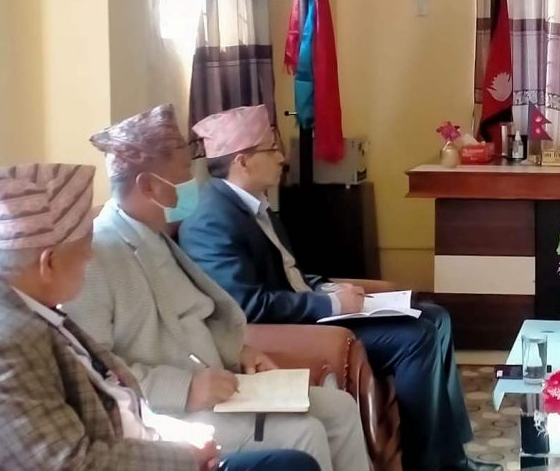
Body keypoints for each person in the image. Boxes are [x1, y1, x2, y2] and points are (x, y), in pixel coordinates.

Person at [176, 105, 499, 471]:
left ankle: (452, 459)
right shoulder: (211, 221)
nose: (282, 158)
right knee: (416, 337)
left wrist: (329, 287)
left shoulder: (254, 205)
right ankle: (424, 465)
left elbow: (288, 273)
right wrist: (329, 305)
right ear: (243, 161)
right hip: (293, 329)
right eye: (272, 149)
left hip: (307, 310)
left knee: (436, 317)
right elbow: (247, 306)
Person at [62, 104, 370, 471]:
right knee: (303, 434)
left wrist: (239, 350)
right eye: (183, 174)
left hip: (223, 386)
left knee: (340, 409)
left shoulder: (156, 236)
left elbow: (197, 315)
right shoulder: (97, 255)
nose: (193, 184)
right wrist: (186, 389)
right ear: (148, 186)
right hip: (169, 411)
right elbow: (93, 373)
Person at [0, 163, 323, 471]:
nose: (90, 260)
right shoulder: (0, 345)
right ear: (49, 263)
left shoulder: (33, 308)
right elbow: (72, 464)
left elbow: (112, 391)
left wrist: (177, 436)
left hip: (151, 432)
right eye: (84, 250)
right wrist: (182, 456)